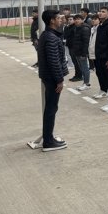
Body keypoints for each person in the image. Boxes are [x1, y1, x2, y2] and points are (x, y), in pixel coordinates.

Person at [37, 9, 68, 152]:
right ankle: (48, 142)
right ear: (51, 21)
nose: (61, 19)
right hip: (52, 78)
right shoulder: (50, 37)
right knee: (51, 109)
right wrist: (59, 80)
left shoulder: (49, 35)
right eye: (58, 18)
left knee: (50, 108)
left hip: (49, 77)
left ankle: (49, 137)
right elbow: (53, 61)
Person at [72, 14, 91, 91]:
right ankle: (84, 83)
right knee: (82, 68)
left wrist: (84, 53)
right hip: (77, 52)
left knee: (85, 68)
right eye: (75, 19)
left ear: (82, 20)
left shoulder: (84, 28)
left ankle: (87, 84)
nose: (76, 20)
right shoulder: (77, 28)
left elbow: (86, 42)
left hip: (82, 52)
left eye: (79, 19)